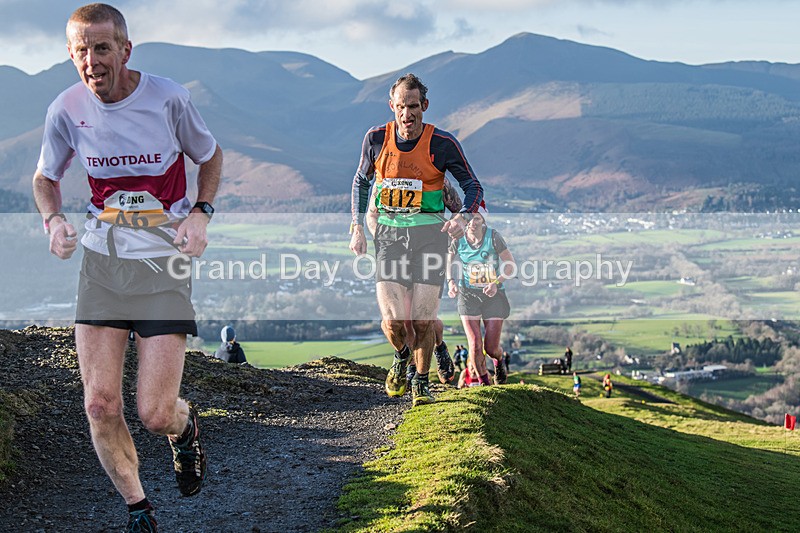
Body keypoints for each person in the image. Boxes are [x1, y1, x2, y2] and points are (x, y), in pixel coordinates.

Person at [32, 4, 222, 531]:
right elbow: (45, 177)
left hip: (163, 265)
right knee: (99, 404)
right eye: (81, 52)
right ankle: (139, 509)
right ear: (71, 56)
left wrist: (200, 215)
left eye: (102, 49)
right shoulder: (66, 109)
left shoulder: (167, 98)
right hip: (102, 264)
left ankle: (184, 430)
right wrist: (53, 221)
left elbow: (209, 156)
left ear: (124, 50)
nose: (92, 61)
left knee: (155, 413)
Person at [349, 73, 483, 407]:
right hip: (390, 238)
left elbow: (473, 186)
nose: (407, 115)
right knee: (394, 322)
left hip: (429, 238)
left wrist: (462, 215)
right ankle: (402, 356)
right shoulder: (376, 138)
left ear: (424, 106)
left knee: (423, 319)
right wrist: (357, 226)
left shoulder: (443, 144)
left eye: (413, 107)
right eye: (401, 107)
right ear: (391, 106)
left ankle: (420, 384)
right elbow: (360, 181)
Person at [365, 178, 463, 386]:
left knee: (423, 319)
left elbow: (458, 208)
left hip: (426, 248)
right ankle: (408, 362)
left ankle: (439, 348)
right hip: (394, 249)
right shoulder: (385, 178)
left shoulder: (435, 177)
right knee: (400, 320)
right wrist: (381, 239)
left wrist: (450, 233)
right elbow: (371, 213)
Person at [448, 208, 516, 386]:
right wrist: (451, 282)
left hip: (492, 294)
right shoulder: (458, 237)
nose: (473, 222)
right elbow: (448, 260)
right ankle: (485, 384)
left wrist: (496, 282)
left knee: (491, 348)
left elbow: (510, 266)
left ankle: (498, 361)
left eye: (477, 218)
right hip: (468, 294)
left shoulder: (493, 237)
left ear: (483, 221)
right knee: (474, 344)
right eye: (470, 218)